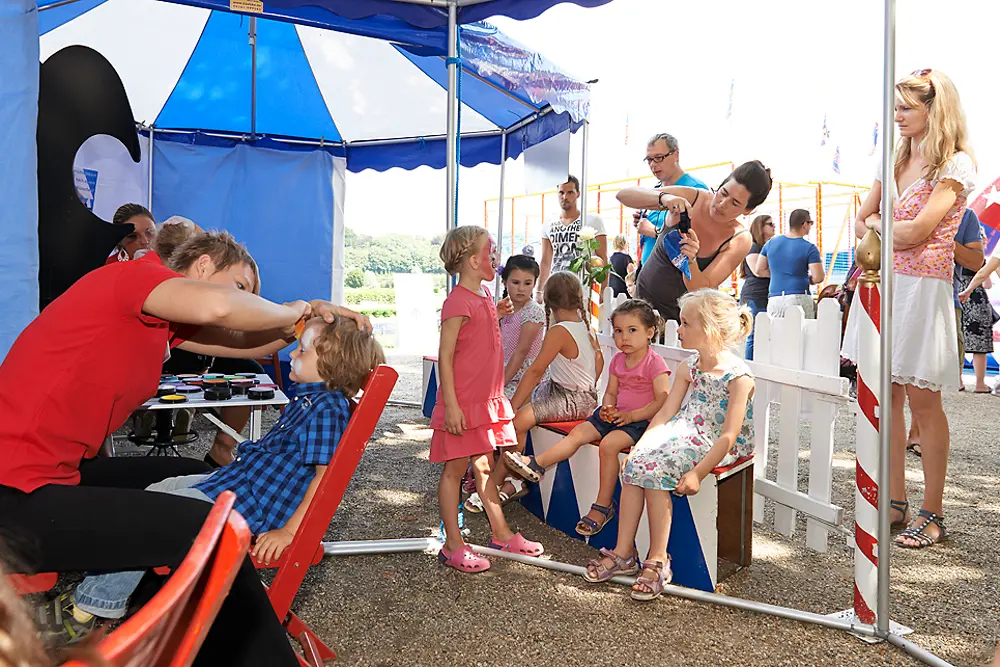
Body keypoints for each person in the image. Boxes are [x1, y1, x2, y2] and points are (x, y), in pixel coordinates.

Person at [0, 229, 369, 665]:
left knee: (183, 474)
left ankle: (164, 612)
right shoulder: (131, 279)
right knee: (206, 526)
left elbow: (245, 339)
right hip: (15, 489)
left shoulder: (157, 322)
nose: (246, 303)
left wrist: (306, 326)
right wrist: (298, 308)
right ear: (202, 266)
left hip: (50, 473)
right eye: (241, 287)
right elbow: (219, 306)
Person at [42, 314, 383, 634]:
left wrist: (289, 532)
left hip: (250, 508)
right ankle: (108, 584)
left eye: (303, 350)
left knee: (151, 521)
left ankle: (91, 607)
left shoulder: (326, 409)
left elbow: (324, 479)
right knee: (159, 490)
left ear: (330, 366)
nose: (294, 352)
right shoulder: (311, 400)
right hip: (239, 488)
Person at [844, 68, 976, 550]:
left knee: (924, 402)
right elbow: (862, 222)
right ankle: (895, 499)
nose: (896, 116)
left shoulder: (955, 164)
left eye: (905, 107)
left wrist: (881, 225)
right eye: (895, 107)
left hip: (922, 291)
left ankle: (933, 509)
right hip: (883, 287)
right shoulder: (894, 159)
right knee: (887, 398)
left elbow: (918, 231)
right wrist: (883, 225)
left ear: (932, 110)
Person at [582, 289, 754, 600]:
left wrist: (698, 474)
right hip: (685, 432)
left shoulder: (738, 376)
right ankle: (624, 552)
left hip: (715, 441)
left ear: (710, 329)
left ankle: (659, 559)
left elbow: (729, 434)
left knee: (657, 469)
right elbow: (666, 412)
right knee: (636, 464)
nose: (679, 329)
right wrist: (640, 447)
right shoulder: (689, 367)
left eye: (686, 324)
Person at [504, 299, 669, 537]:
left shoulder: (655, 363)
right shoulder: (618, 360)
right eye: (619, 331)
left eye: (632, 331)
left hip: (640, 421)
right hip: (615, 415)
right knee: (579, 433)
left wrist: (632, 415)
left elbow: (662, 399)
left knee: (609, 445)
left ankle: (602, 506)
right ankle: (538, 463)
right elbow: (611, 391)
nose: (624, 338)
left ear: (650, 332)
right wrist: (608, 407)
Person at [431, 226, 543, 573]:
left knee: (482, 466)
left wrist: (495, 315)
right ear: (471, 259)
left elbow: (477, 339)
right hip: (463, 403)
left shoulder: (480, 296)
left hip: (484, 400)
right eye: (489, 250)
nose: (495, 255)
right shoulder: (457, 301)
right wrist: (451, 405)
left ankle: (501, 532)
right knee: (454, 471)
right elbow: (446, 356)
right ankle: (453, 544)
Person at [618, 160, 774, 322]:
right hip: (640, 309)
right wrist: (664, 199)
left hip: (683, 323)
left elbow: (700, 288)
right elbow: (623, 195)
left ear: (748, 210)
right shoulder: (695, 197)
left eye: (735, 203)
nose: (722, 204)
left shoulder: (739, 238)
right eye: (724, 193)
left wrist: (691, 261)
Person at [462, 254, 544, 512]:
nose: (521, 289)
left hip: (523, 376)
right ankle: (479, 466)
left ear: (534, 284)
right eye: (516, 282)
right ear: (505, 281)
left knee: (499, 408)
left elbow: (521, 353)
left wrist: (498, 384)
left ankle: (504, 473)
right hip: (501, 370)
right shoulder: (501, 307)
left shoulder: (534, 311)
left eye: (527, 283)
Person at [633, 133, 710, 274]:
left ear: (676, 154)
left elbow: (701, 242)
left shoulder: (696, 190)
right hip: (647, 274)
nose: (653, 164)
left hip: (675, 279)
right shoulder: (656, 190)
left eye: (659, 158)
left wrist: (654, 231)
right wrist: (642, 222)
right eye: (649, 159)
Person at [537, 175, 607, 301]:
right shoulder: (548, 224)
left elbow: (602, 257)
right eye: (561, 193)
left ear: (578, 194)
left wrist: (603, 290)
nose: (565, 197)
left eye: (570, 192)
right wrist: (539, 290)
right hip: (556, 287)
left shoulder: (592, 220)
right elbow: (545, 261)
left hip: (583, 288)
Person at [757, 209, 825, 318]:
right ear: (804, 224)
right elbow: (818, 277)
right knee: (803, 333)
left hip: (775, 298)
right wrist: (807, 279)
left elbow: (759, 270)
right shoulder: (810, 248)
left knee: (777, 334)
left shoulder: (770, 244)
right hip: (799, 296)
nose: (810, 226)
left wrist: (779, 275)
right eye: (810, 223)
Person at [956, 214, 993, 393]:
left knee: (957, 339)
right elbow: (987, 283)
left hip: (957, 295)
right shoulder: (980, 260)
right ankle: (980, 383)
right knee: (980, 345)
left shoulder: (955, 254)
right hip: (977, 301)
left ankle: (958, 380)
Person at [740, 214, 775, 359]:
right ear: (760, 228)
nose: (774, 227)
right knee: (753, 335)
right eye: (770, 224)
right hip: (754, 295)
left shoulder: (766, 247)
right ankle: (750, 366)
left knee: (763, 334)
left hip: (765, 295)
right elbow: (758, 271)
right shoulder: (753, 247)